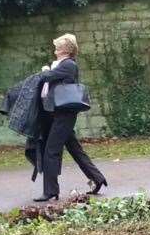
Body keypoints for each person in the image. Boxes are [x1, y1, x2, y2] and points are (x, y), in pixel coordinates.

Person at [34, 33, 107, 201]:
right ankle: (98, 179)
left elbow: (46, 77)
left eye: (57, 48)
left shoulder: (68, 65)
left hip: (64, 115)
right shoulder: (63, 65)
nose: (55, 51)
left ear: (65, 50)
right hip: (61, 114)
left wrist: (46, 70)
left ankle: (51, 190)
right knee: (75, 150)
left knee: (51, 151)